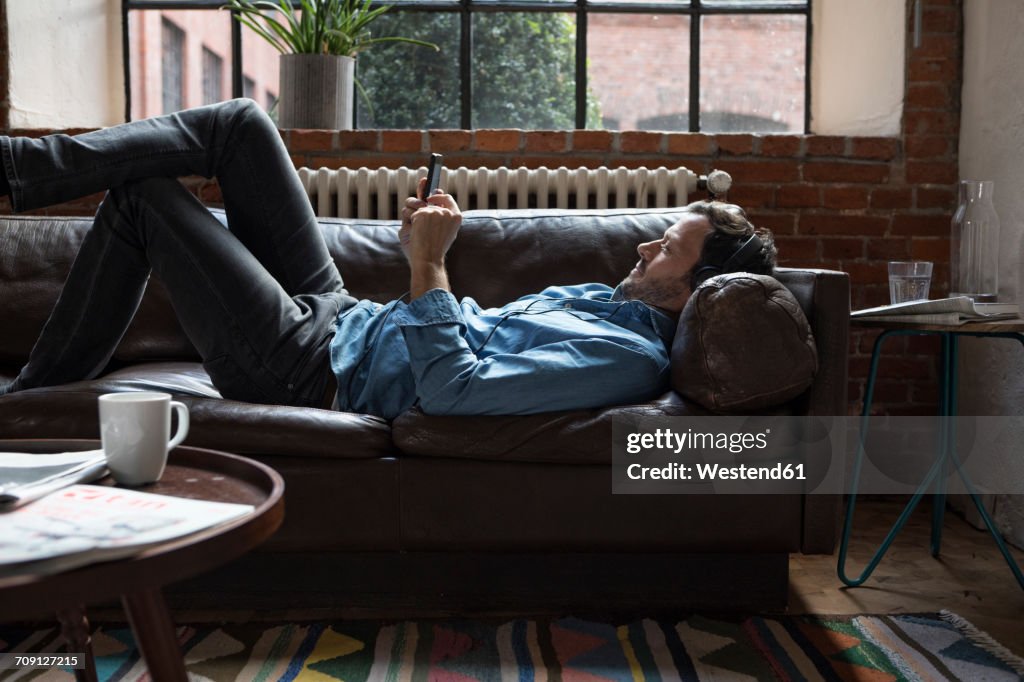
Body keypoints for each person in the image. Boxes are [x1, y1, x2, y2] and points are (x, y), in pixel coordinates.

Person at [0, 99, 776, 417]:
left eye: (668, 247)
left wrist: (430, 265)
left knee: (146, 200)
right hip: (342, 318)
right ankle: (17, 167)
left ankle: (29, 399)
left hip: (308, 367)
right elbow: (463, 334)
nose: (644, 244)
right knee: (241, 124)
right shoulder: (605, 301)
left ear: (696, 289)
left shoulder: (626, 361)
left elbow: (450, 390)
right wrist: (420, 253)